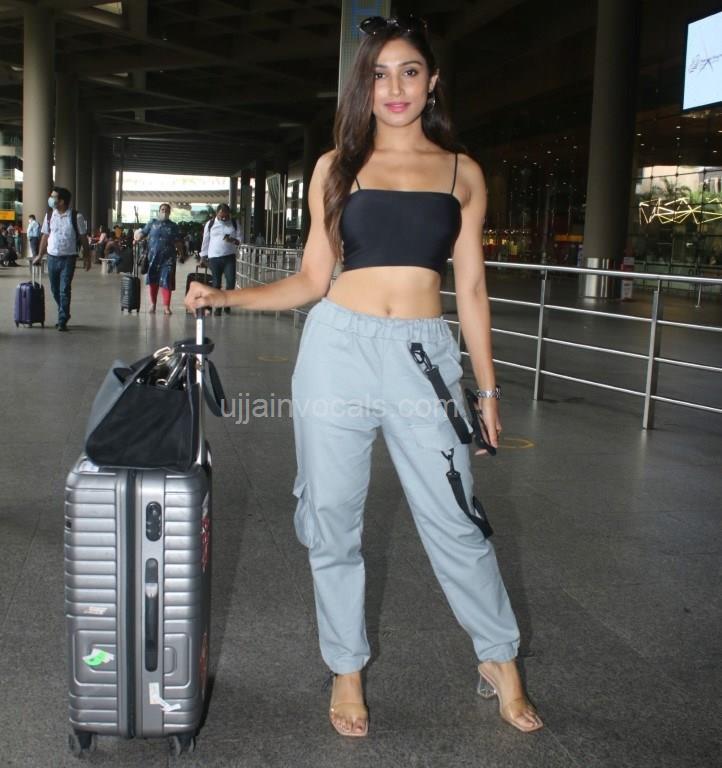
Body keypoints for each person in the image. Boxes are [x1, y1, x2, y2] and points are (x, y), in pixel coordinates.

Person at [186, 14, 542, 738]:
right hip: (337, 350)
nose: (395, 87)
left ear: (432, 81)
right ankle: (346, 668)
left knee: (455, 516)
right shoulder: (336, 168)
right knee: (332, 517)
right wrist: (225, 296)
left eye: (409, 71)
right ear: (365, 86)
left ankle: (499, 657)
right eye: (380, 75)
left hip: (424, 358)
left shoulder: (462, 173)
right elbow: (312, 279)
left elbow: (472, 290)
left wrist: (488, 390)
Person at [33, 186, 91, 331]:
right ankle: (63, 311)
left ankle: (62, 320)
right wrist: (39, 255)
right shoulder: (49, 215)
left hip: (68, 259)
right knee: (55, 289)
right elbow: (45, 236)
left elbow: (83, 238)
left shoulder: (76, 217)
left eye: (53, 197)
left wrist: (87, 257)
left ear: (62, 201)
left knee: (64, 289)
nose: (50, 199)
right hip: (52, 258)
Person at [135, 203, 185, 314]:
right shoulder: (152, 223)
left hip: (168, 259)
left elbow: (178, 242)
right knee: (153, 281)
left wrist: (182, 254)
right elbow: (143, 233)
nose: (164, 212)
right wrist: (137, 238)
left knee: (166, 281)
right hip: (153, 258)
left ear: (169, 212)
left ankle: (166, 307)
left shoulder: (173, 226)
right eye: (162, 210)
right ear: (159, 211)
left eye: (167, 210)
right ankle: (153, 304)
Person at [199, 203, 241, 316]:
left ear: (229, 214)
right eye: (221, 216)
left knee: (231, 282)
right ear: (216, 214)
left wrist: (232, 240)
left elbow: (240, 239)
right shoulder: (210, 224)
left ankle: (227, 304)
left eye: (226, 216)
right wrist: (203, 257)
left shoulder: (234, 223)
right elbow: (205, 241)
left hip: (229, 257)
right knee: (216, 283)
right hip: (214, 257)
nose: (223, 218)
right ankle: (217, 307)